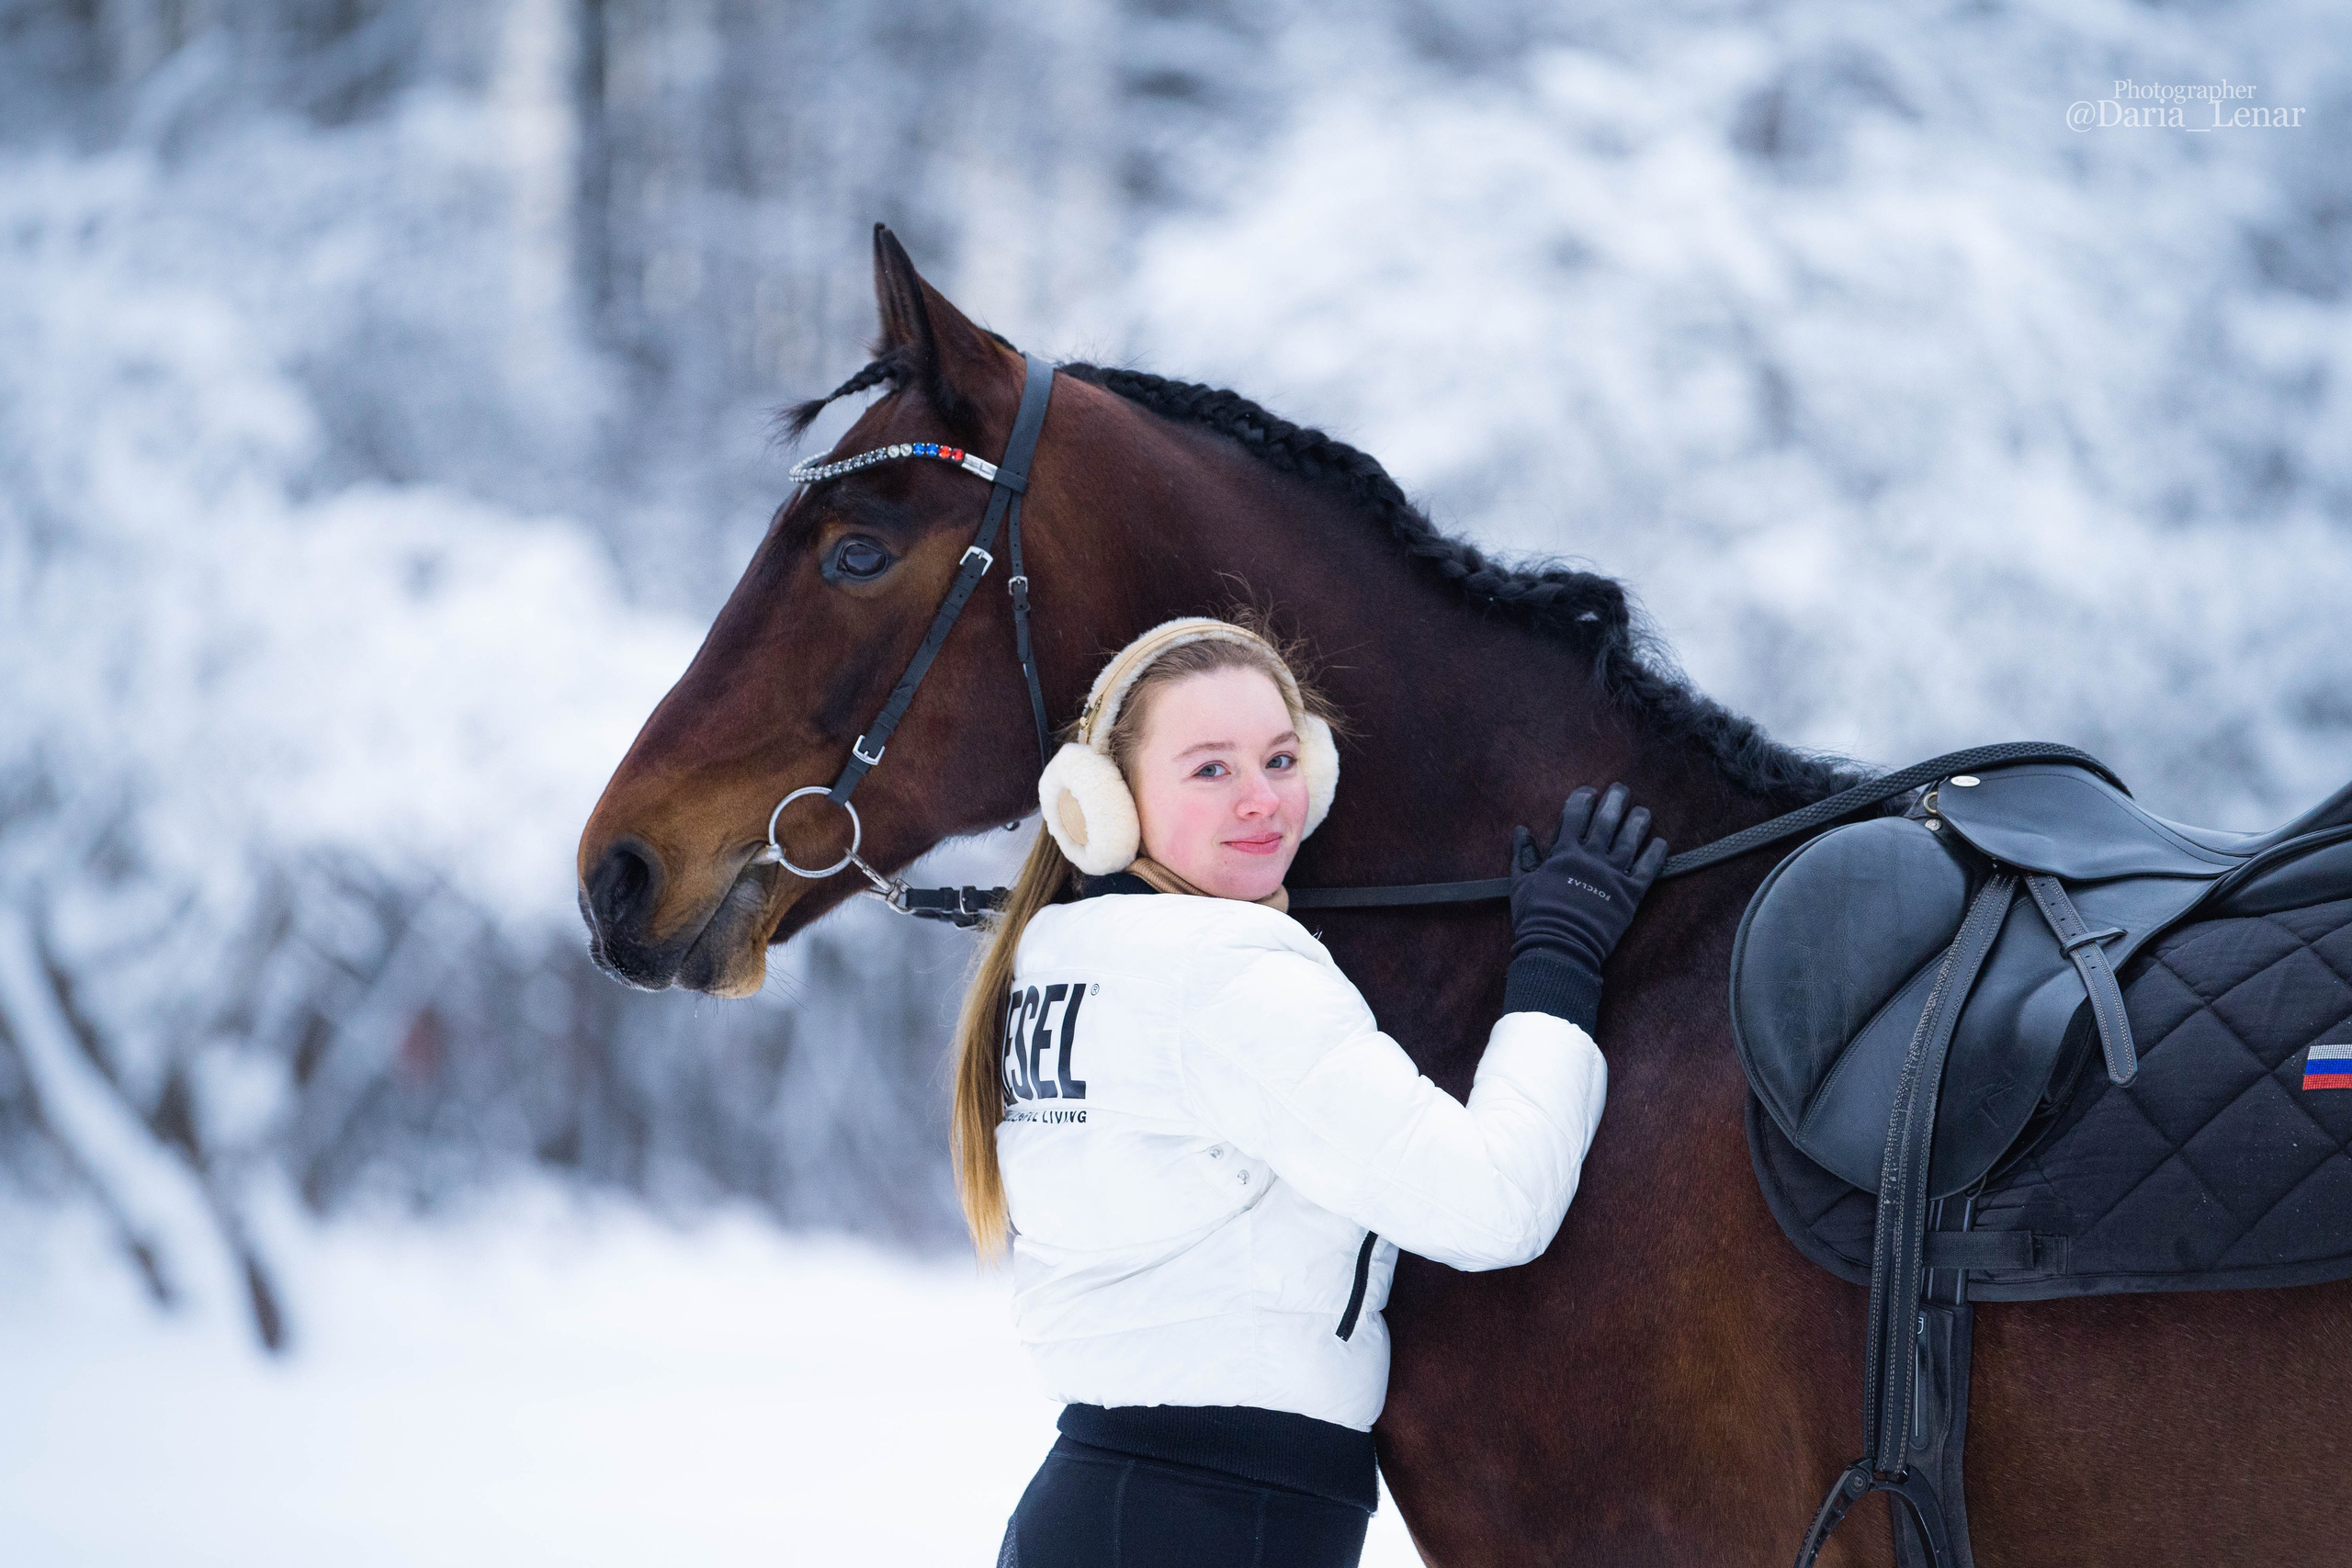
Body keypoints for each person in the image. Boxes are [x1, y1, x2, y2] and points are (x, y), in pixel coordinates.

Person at [956, 615, 1668, 1568]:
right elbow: (1495, 1204)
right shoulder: (1224, 977)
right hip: (1211, 1526)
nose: (1262, 800)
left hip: (1111, 1507)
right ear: (1110, 801)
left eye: (1281, 760)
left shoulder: (1073, 959)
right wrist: (1559, 958)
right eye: (1211, 769)